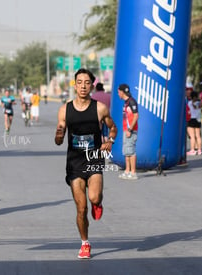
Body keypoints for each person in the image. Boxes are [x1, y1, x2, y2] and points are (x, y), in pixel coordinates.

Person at [54, 68, 117, 259]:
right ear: (75, 85)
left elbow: (113, 128)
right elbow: (59, 136)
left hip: (94, 159)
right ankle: (85, 243)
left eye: (87, 82)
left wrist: (109, 141)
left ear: (91, 85)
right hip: (74, 162)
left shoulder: (99, 108)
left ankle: (98, 203)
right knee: (81, 209)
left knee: (94, 198)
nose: (83, 86)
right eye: (79, 82)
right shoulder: (65, 109)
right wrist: (58, 134)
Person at [117, 84, 139, 180]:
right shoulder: (126, 102)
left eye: (118, 92)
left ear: (122, 92)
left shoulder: (132, 102)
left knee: (131, 151)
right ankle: (127, 171)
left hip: (131, 130)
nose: (118, 94)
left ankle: (133, 172)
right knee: (126, 151)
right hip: (126, 130)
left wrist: (130, 129)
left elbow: (136, 115)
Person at [186, 91, 202, 155]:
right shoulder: (200, 103)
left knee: (192, 136)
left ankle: (192, 150)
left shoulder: (189, 103)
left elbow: (188, 110)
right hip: (198, 119)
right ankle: (199, 150)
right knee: (198, 136)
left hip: (191, 119)